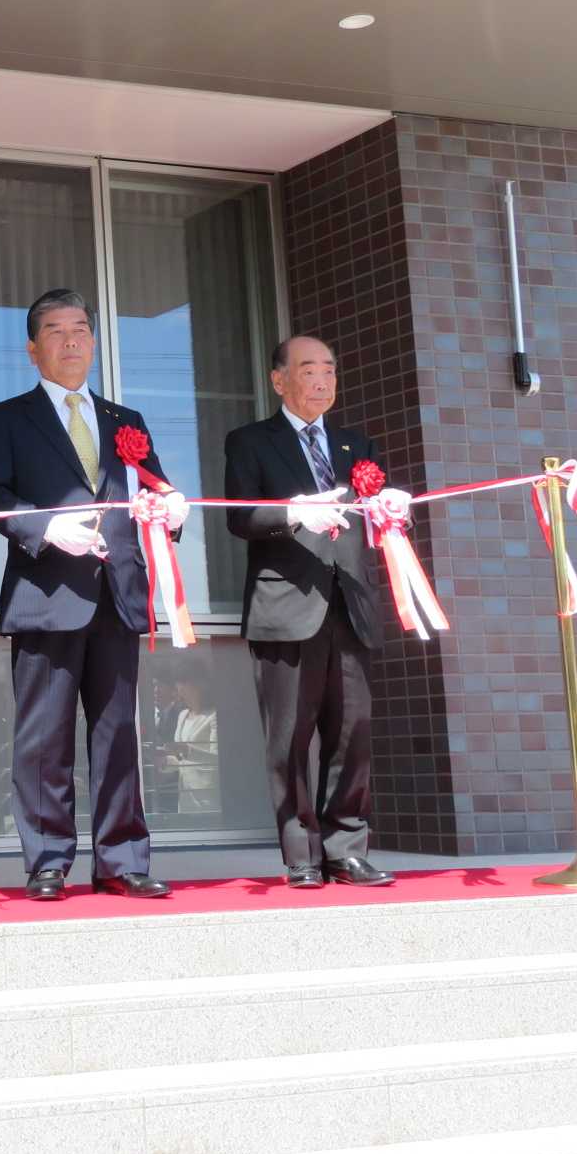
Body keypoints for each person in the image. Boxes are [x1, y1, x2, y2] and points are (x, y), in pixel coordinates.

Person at [0, 289, 188, 901]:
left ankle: (122, 859)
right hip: (46, 594)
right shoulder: (6, 418)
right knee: (43, 738)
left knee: (119, 733)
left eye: (81, 330)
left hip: (119, 594)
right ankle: (47, 860)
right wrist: (44, 528)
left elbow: (156, 492)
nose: (71, 340)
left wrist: (171, 509)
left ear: (94, 341)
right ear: (33, 349)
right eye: (56, 331)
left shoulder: (128, 422)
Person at [224, 334, 395, 889]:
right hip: (286, 605)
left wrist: (391, 510)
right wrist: (294, 514)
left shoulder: (355, 443)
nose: (322, 380)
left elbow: (372, 514)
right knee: (290, 738)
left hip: (350, 603)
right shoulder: (250, 441)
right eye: (308, 370)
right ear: (280, 380)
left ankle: (346, 849)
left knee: (353, 733)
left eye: (329, 370)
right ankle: (302, 853)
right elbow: (239, 516)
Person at [166, 659, 220, 817]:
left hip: (209, 799)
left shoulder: (214, 716)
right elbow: (181, 761)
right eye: (178, 684)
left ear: (199, 685)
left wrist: (187, 750)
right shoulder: (182, 715)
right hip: (185, 799)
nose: (179, 690)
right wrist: (164, 760)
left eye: (183, 683)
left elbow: (217, 759)